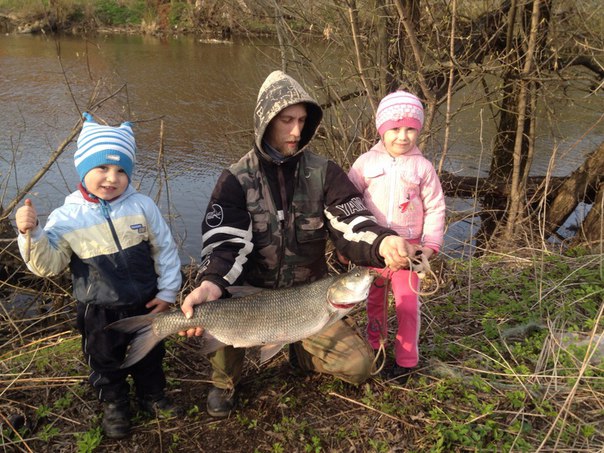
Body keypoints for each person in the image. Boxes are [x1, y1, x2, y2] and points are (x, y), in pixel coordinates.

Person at [179, 70, 416, 418]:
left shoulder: (324, 173)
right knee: (218, 309)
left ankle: (300, 350)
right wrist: (211, 283)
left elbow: (351, 221)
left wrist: (383, 242)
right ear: (265, 122)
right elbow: (225, 243)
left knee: (359, 366)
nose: (296, 131)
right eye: (286, 120)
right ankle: (225, 381)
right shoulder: (235, 179)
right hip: (248, 298)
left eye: (302, 121)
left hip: (308, 297)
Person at [15, 113, 183, 439]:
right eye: (102, 168)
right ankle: (115, 405)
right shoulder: (67, 218)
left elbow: (165, 250)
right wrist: (31, 234)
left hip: (146, 303)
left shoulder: (142, 207)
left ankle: (153, 396)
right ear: (83, 169)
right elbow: (47, 265)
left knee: (150, 356)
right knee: (104, 360)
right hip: (99, 309)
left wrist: (167, 293)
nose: (112, 178)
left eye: (121, 170)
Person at [348, 90, 446, 383]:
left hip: (410, 252)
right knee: (374, 302)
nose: (402, 136)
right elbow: (349, 203)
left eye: (410, 129)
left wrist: (429, 247)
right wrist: (350, 244)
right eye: (395, 129)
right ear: (381, 129)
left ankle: (406, 361)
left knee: (407, 306)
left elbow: (436, 207)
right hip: (373, 250)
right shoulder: (365, 163)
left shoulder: (423, 168)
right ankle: (375, 348)